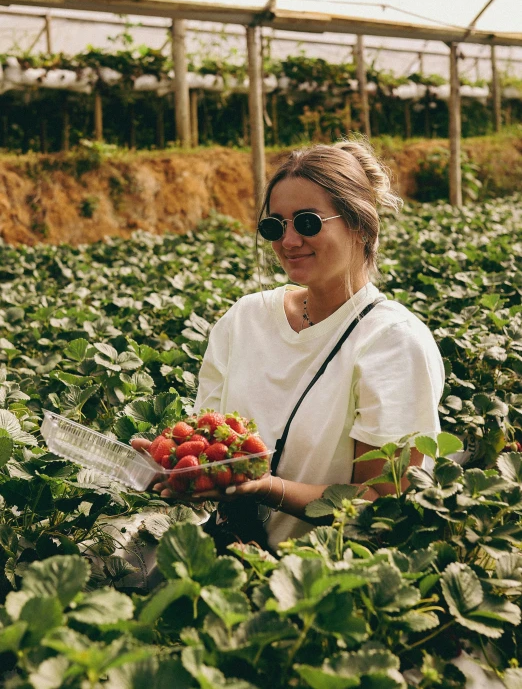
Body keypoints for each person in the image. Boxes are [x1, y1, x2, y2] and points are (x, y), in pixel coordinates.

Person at [133, 139, 445, 553]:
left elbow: (383, 504)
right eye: (275, 226)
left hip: (327, 580)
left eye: (308, 222)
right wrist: (178, 463)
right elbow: (214, 447)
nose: (289, 241)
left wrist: (268, 489)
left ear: (360, 224)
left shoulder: (392, 343)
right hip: (229, 559)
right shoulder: (244, 320)